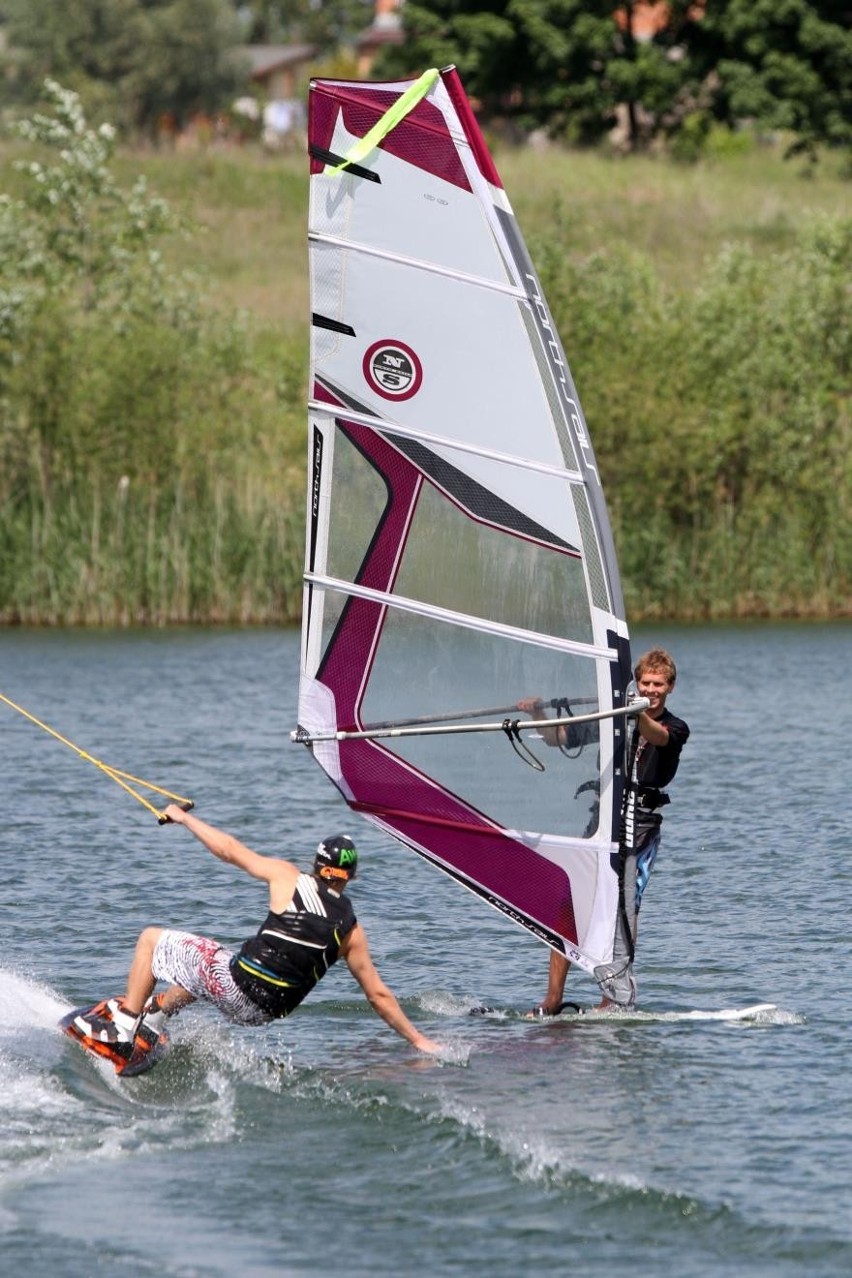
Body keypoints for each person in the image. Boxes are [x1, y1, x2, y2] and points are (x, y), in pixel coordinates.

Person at [67, 806, 441, 1071]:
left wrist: (184, 818)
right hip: (260, 1014)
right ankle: (157, 1015)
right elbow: (377, 995)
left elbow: (229, 850)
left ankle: (123, 1027)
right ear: (350, 876)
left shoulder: (289, 877)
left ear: (316, 866)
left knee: (151, 940)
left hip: (236, 987)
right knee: (212, 957)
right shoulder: (351, 931)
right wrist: (418, 1040)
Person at [531, 647, 689, 1014]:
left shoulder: (676, 727)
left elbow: (657, 733)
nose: (651, 689)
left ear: (670, 687)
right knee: (568, 907)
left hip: (642, 829)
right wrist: (537, 711)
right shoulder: (615, 718)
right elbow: (559, 738)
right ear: (637, 681)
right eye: (645, 682)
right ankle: (551, 1000)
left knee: (620, 910)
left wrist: (634, 710)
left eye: (658, 685)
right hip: (603, 824)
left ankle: (612, 999)